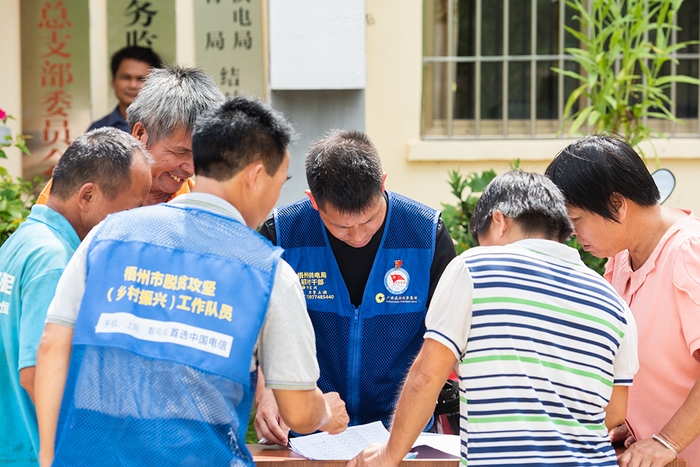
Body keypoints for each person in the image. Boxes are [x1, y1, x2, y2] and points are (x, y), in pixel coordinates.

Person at [34, 97, 349, 467]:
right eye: (280, 183)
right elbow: (297, 411)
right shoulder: (269, 273)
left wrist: (48, 458)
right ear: (256, 176)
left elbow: (53, 345)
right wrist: (326, 412)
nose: (277, 198)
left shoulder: (107, 234)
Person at [348, 170, 639, 467]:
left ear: (499, 222)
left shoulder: (474, 268)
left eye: (482, 239)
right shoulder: (613, 302)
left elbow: (426, 377)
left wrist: (388, 454)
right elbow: (615, 412)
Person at [255, 130, 457, 445]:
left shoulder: (427, 235)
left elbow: (450, 334)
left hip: (404, 433)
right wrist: (267, 390)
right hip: (309, 433)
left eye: (370, 220)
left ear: (383, 183)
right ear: (313, 201)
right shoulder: (282, 235)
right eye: (342, 226)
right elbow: (260, 325)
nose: (359, 236)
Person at [0, 128, 152, 467]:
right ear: (87, 196)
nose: (136, 221)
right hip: (36, 453)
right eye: (133, 207)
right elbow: (36, 373)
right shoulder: (55, 261)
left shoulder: (21, 241)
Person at [545, 135, 700, 467]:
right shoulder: (620, 260)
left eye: (576, 220)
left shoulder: (688, 252)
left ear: (617, 204)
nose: (572, 234)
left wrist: (666, 441)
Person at [37, 65, 225, 206]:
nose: (191, 167)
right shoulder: (77, 187)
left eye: (199, 154)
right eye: (181, 152)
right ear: (140, 133)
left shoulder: (200, 203)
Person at [88, 46, 163, 133]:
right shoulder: (97, 130)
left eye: (140, 79)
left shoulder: (167, 128)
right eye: (126, 77)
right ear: (113, 81)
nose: (133, 85)